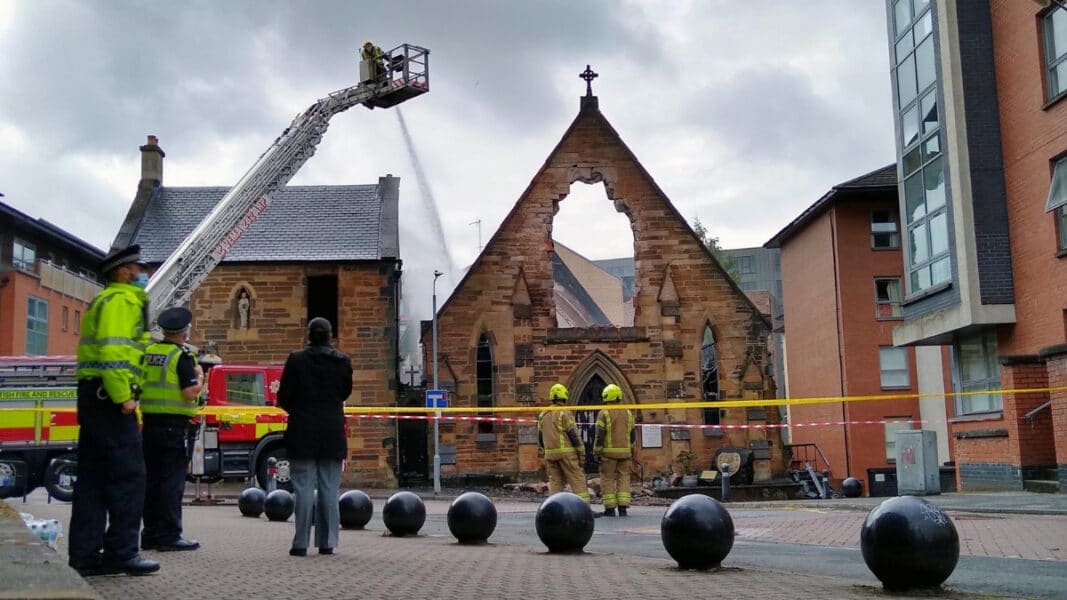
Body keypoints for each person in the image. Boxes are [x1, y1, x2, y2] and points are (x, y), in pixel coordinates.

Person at [69, 244, 160, 576]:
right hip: (110, 401)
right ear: (124, 272)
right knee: (129, 478)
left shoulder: (104, 299)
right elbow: (115, 353)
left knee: (92, 480)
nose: (143, 274)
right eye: (139, 268)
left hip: (93, 398)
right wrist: (125, 397)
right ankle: (121, 553)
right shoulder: (123, 301)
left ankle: (85, 555)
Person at [278, 317, 353, 556]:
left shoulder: (296, 360)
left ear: (309, 335)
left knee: (302, 488)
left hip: (302, 431)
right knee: (330, 489)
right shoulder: (343, 362)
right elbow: (345, 392)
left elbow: (284, 397)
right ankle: (327, 542)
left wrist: (300, 411)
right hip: (331, 430)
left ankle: (300, 543)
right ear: (330, 335)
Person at [140, 307, 204, 552]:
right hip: (173, 427)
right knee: (171, 483)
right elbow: (189, 393)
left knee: (152, 481)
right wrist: (200, 380)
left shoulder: (150, 352)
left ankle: (150, 533)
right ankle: (169, 535)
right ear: (184, 332)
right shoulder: (182, 357)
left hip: (149, 424)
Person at [537, 384, 589, 503]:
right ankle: (584, 508)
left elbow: (540, 437)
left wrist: (545, 450)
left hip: (550, 455)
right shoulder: (565, 413)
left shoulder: (543, 414)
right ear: (564, 398)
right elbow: (574, 436)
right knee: (577, 480)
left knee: (555, 482)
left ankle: (555, 509)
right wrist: (581, 454)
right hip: (567, 455)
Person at [594, 383, 635, 517]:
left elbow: (600, 434)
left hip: (608, 454)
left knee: (607, 479)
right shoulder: (628, 413)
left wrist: (597, 450)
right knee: (624, 478)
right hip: (625, 452)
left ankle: (610, 508)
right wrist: (631, 449)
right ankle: (623, 508)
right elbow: (633, 434)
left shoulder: (604, 413)